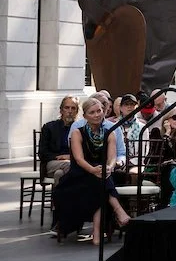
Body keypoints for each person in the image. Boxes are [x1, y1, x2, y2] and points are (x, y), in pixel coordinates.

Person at [53, 97, 131, 243]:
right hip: (80, 173)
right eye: (92, 112)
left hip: (101, 173)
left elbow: (112, 157)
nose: (97, 115)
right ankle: (116, 212)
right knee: (99, 181)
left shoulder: (111, 132)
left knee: (100, 181)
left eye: (99, 111)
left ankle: (97, 232)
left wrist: (109, 167)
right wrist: (93, 170)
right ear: (85, 116)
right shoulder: (77, 132)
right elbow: (78, 159)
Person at [40, 96, 79, 187]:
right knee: (69, 166)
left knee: (59, 174)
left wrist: (70, 157)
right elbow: (42, 153)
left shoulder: (80, 128)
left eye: (73, 108)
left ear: (77, 112)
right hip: (52, 163)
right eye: (67, 108)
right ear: (61, 110)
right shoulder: (49, 127)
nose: (70, 111)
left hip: (71, 162)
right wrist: (59, 157)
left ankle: (58, 200)